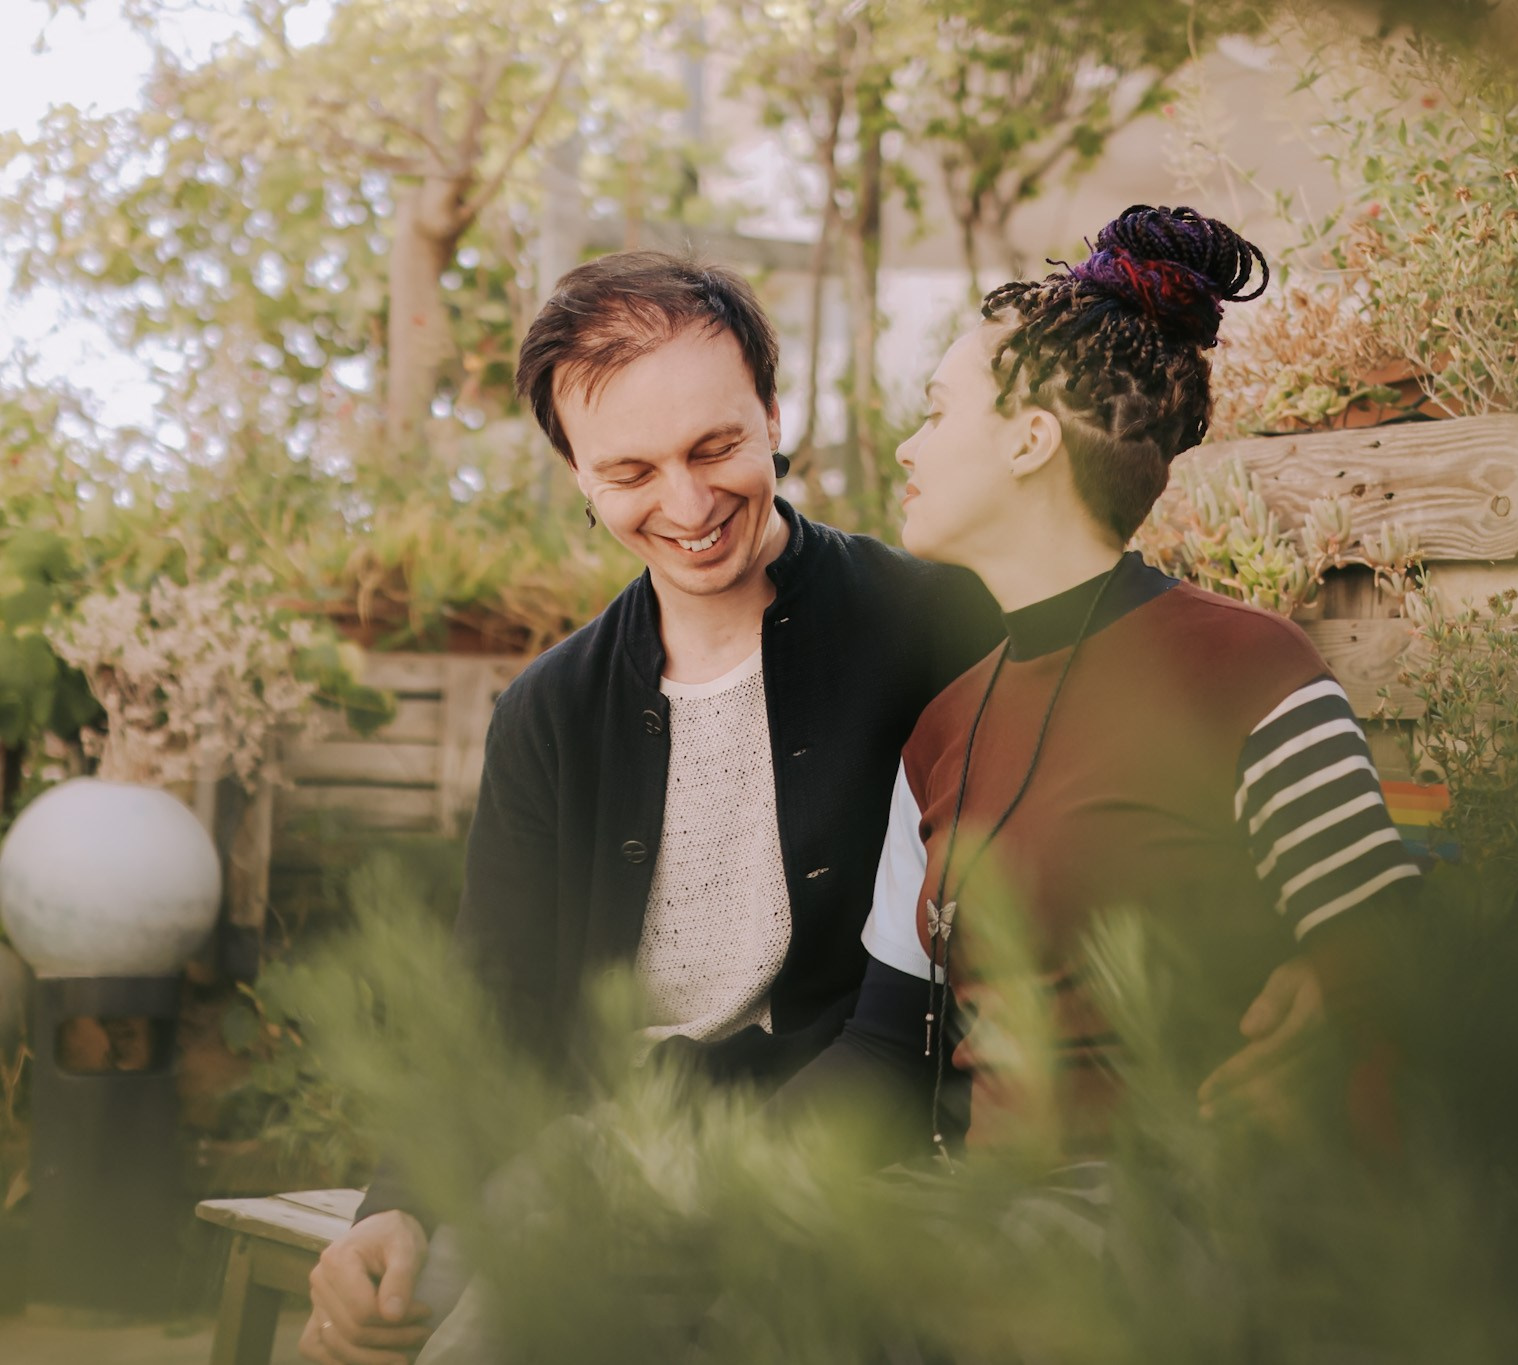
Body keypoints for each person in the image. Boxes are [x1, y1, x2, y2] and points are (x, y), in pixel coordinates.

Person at [298, 251, 1005, 1365]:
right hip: (585, 1143)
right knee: (367, 1325)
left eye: (715, 447)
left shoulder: (930, 622)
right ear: (576, 474)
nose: (686, 505)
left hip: (825, 1150)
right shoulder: (548, 710)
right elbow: (498, 1005)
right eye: (629, 470)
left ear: (774, 414)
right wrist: (398, 1201)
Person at [782, 205, 1423, 1161]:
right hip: (978, 1220)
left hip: (1172, 1236)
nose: (910, 447)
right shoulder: (940, 732)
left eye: (937, 409)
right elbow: (882, 1044)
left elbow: (1394, 963)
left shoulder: (1248, 672)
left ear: (1030, 440)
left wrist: (1345, 1005)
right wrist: (716, 1172)